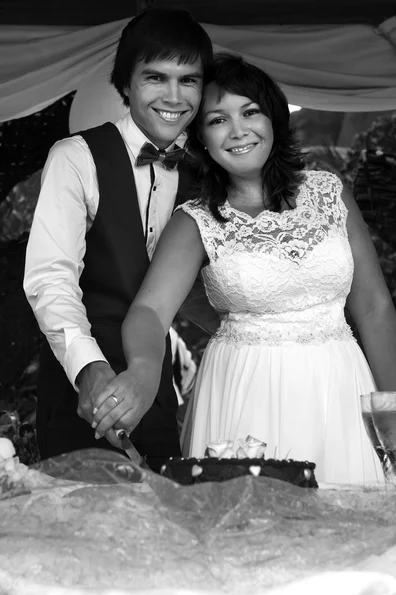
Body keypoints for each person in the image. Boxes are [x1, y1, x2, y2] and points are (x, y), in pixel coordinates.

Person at [90, 53, 396, 485]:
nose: (238, 131)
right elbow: (150, 311)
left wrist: (393, 408)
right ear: (200, 137)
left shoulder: (329, 192)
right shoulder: (194, 220)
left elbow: (374, 306)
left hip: (340, 386)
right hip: (243, 392)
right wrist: (141, 370)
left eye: (250, 112)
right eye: (217, 120)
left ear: (272, 119)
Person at [23, 8, 215, 472]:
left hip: (157, 390)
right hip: (78, 392)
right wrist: (89, 369)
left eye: (188, 80)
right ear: (125, 84)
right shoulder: (76, 157)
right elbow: (51, 278)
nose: (174, 96)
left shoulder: (207, 174)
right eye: (156, 77)